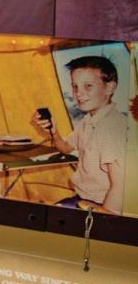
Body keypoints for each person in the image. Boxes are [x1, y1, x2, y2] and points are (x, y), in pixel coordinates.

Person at [32, 56, 126, 214]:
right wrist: (53, 131)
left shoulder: (112, 127)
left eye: (88, 86)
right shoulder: (88, 120)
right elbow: (65, 148)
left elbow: (120, 185)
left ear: (110, 88)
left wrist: (103, 222)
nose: (78, 94)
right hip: (82, 198)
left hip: (101, 205)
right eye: (75, 87)